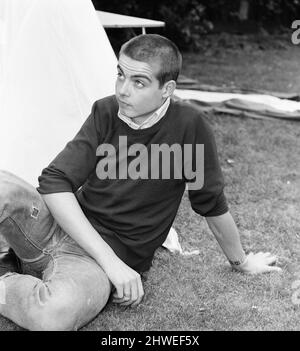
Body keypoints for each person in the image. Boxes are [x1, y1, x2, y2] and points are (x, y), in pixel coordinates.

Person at [0, 34, 282, 331]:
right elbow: (55, 182)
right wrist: (111, 263)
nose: (122, 90)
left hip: (90, 267)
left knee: (52, 315)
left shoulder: (189, 128)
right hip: (57, 228)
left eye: (139, 82)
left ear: (166, 89)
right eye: (120, 75)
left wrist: (241, 261)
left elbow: (210, 204)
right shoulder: (105, 111)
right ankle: (23, 263)